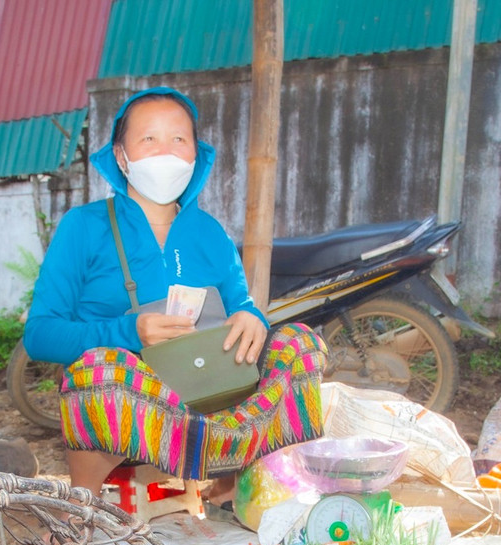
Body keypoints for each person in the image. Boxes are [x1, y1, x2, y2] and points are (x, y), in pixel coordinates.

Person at [23, 87, 325, 496]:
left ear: (194, 155)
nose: (165, 152)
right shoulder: (84, 226)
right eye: (149, 139)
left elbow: (242, 307)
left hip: (213, 397)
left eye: (178, 139)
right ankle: (83, 502)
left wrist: (252, 319)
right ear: (120, 155)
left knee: (299, 345)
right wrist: (130, 332)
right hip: (130, 411)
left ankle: (249, 487)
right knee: (98, 369)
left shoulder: (209, 233)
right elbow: (40, 334)